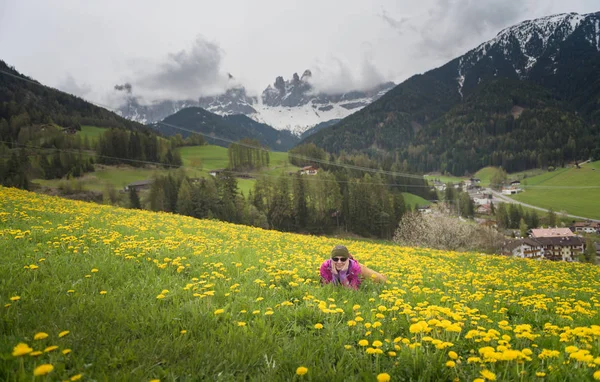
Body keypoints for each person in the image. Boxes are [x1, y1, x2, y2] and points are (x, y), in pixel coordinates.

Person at [319, 245, 387, 289]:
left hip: (358, 269)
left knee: (382, 280)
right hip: (347, 272)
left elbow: (353, 291)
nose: (339, 262)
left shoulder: (355, 267)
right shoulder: (325, 267)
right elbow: (328, 288)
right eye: (335, 259)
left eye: (343, 259)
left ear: (348, 259)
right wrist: (335, 275)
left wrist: (342, 275)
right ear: (331, 259)